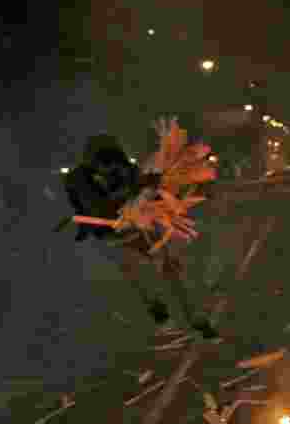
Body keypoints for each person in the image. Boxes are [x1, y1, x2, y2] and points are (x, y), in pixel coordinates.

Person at [62, 134, 218, 338]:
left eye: (114, 165)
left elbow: (149, 194)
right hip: (113, 235)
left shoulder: (126, 168)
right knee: (141, 277)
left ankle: (196, 319)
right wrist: (137, 190)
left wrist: (157, 187)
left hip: (140, 227)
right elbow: (100, 209)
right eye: (104, 167)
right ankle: (162, 316)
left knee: (171, 270)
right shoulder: (79, 178)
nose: (110, 171)